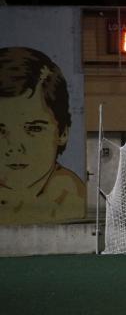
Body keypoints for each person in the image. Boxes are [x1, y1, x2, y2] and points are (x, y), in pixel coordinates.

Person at [0, 46, 86, 224]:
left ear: (62, 132)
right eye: (0, 131)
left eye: (34, 129)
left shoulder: (68, 195)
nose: (15, 146)